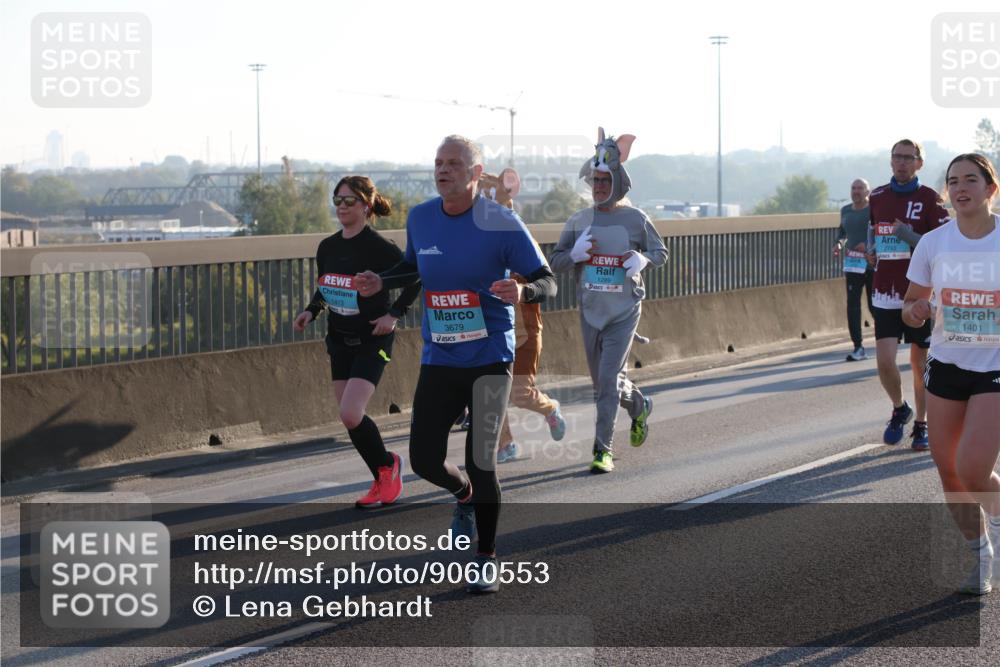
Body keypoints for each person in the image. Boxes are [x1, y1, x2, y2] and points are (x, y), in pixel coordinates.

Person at [354, 135, 556, 593]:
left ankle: (486, 556)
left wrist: (524, 291)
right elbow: (413, 267)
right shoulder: (422, 217)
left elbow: (548, 279)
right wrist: (378, 280)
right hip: (440, 355)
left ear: (476, 173)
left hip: (489, 358)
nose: (443, 170)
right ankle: (462, 496)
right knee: (424, 458)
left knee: (481, 460)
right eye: (438, 163)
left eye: (453, 164)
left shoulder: (501, 222)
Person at [902, 153, 1000, 594]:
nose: (961, 188)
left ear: (990, 189)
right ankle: (980, 558)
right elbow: (909, 308)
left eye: (971, 180)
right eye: (953, 181)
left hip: (995, 366)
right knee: (949, 471)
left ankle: (997, 517)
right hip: (946, 364)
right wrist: (917, 309)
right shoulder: (934, 243)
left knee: (973, 467)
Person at [293, 176, 421, 509]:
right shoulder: (328, 247)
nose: (342, 207)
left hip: (372, 338)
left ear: (365, 205)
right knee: (348, 416)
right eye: (337, 201)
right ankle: (382, 473)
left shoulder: (377, 247)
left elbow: (414, 277)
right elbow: (327, 286)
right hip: (338, 339)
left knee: (351, 412)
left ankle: (388, 465)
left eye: (349, 201)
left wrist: (393, 314)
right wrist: (312, 310)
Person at [549, 128, 667, 473]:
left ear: (618, 181)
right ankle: (639, 404)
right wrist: (574, 253)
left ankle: (603, 450)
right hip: (591, 312)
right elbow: (554, 263)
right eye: (595, 181)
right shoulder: (579, 220)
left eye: (605, 180)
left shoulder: (635, 219)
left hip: (624, 311)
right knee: (603, 383)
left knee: (607, 382)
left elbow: (661, 251)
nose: (599, 186)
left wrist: (643, 260)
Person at [476, 168, 567, 464]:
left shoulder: (519, 238)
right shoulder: (471, 242)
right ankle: (506, 444)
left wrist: (521, 288)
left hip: (525, 331)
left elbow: (546, 282)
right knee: (489, 391)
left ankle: (550, 408)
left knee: (519, 395)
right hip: (489, 329)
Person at [867, 139, 949, 449]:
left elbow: (939, 245)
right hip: (885, 291)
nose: (901, 162)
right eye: (896, 157)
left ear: (919, 163)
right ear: (890, 161)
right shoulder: (877, 196)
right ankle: (900, 408)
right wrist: (871, 253)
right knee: (885, 362)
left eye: (908, 158)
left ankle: (921, 424)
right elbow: (873, 231)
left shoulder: (930, 198)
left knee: (919, 365)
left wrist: (908, 235)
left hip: (919, 294)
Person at [833, 178, 874, 361]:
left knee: (875, 305)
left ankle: (886, 339)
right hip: (853, 264)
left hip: (873, 264)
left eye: (860, 188)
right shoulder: (845, 210)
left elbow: (881, 232)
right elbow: (842, 233)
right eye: (853, 188)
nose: (856, 191)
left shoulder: (874, 209)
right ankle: (858, 347)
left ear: (867, 192)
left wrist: (867, 245)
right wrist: (839, 245)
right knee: (853, 305)